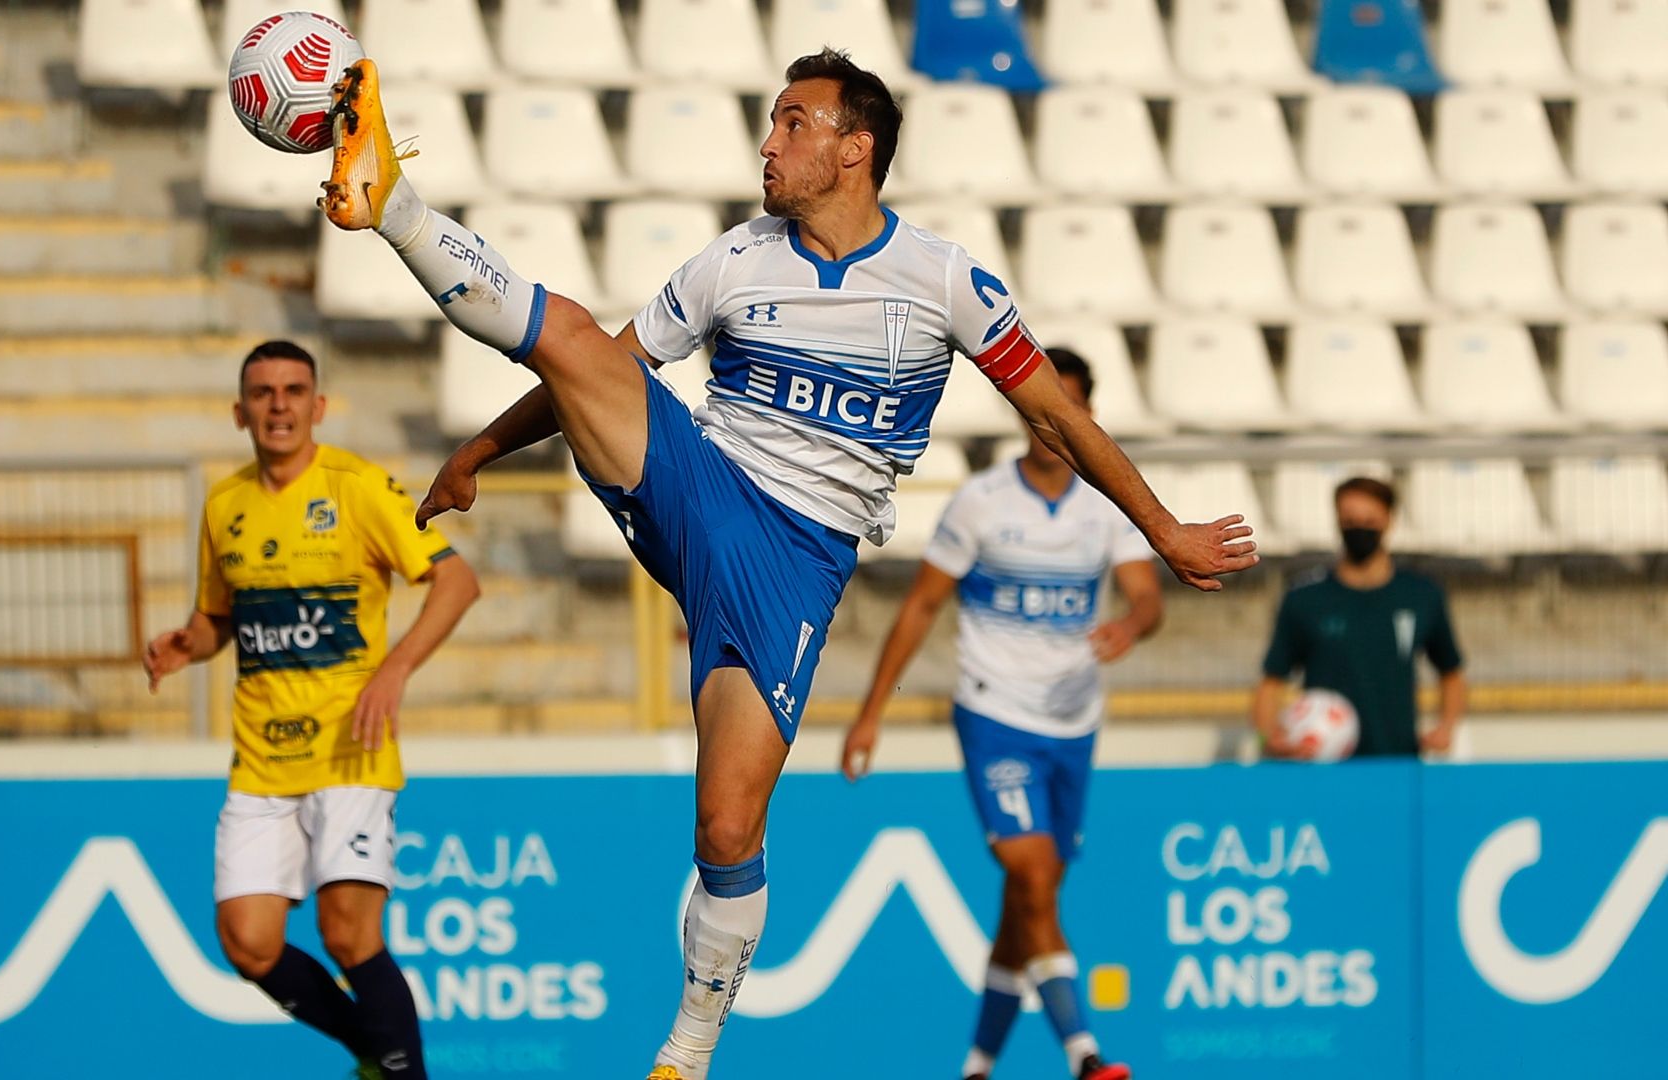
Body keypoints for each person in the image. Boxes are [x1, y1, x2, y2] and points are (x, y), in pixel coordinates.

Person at [318, 48, 1256, 1080]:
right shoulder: (736, 259)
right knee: (581, 337)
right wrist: (480, 451)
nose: (769, 144)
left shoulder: (947, 281)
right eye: (771, 123)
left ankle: (687, 1053)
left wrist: (1163, 529)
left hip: (798, 562)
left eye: (792, 124)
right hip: (700, 486)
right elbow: (601, 365)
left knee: (726, 825)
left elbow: (1058, 418)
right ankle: (394, 202)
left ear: (856, 150)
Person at [141, 340, 481, 1079]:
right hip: (263, 761)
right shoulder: (224, 504)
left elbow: (456, 583)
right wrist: (186, 644)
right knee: (249, 943)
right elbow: (221, 619)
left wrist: (395, 667)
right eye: (263, 393)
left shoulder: (358, 488)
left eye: (294, 390)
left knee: (349, 935)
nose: (279, 405)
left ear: (318, 407)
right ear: (240, 412)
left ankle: (401, 1073)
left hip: (349, 752)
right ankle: (375, 1052)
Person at [840, 349, 1157, 1080]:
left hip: (1073, 720)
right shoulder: (982, 502)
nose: (1055, 425)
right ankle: (1085, 1054)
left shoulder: (1103, 503)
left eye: (1070, 408)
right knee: (1033, 873)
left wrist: (1132, 625)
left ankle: (978, 1065)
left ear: (1089, 416)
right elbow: (921, 605)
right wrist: (870, 714)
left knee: (1028, 898)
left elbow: (1147, 596)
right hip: (994, 712)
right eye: (1045, 407)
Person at [1252, 475, 1466, 759]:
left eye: (1369, 521)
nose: (1359, 530)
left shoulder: (1421, 594)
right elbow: (1271, 682)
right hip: (1324, 766)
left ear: (1389, 519)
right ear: (1337, 520)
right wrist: (1267, 737)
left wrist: (1446, 727)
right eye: (1350, 520)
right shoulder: (1305, 599)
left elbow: (1451, 672)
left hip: (1397, 760)